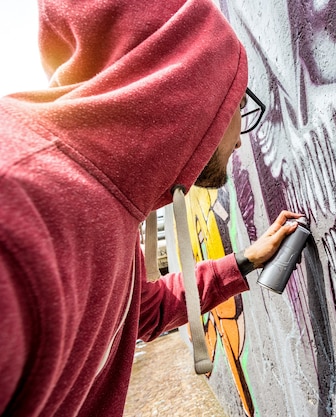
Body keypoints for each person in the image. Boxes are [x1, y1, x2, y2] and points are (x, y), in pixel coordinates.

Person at [0, 0, 301, 415]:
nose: (239, 137)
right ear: (187, 92)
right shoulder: (19, 204)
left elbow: (145, 311)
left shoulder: (104, 203)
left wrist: (247, 260)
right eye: (234, 98)